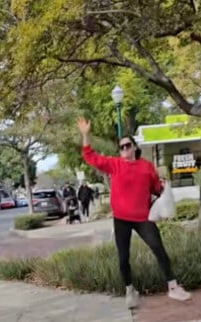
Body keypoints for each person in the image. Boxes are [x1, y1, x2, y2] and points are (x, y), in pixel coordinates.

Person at [76, 116, 190, 309]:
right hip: (121, 219)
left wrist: (163, 188)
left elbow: (155, 189)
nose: (125, 150)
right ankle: (130, 290)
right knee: (123, 259)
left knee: (159, 249)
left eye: (128, 145)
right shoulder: (115, 165)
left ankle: (173, 286)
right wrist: (86, 135)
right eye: (121, 147)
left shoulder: (146, 167)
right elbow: (90, 156)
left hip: (143, 218)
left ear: (135, 147)